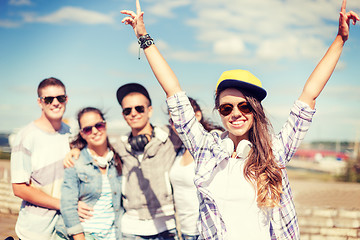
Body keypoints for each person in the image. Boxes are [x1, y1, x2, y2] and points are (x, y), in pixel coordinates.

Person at [121, 0, 359, 239]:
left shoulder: (275, 151)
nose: (235, 113)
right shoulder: (206, 149)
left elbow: (309, 94)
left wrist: (340, 39)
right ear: (220, 112)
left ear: (256, 110)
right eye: (226, 108)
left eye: (244, 106)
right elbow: (173, 90)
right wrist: (144, 37)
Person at [64, 83, 180, 240]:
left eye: (139, 108)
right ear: (123, 115)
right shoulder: (119, 147)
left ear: (149, 110)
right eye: (127, 110)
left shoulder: (170, 138)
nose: (133, 113)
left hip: (167, 227)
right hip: (131, 230)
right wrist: (76, 149)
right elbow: (95, 147)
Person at [10, 77, 71, 239]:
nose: (55, 103)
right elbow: (19, 188)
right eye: (49, 99)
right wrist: (63, 205)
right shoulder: (26, 137)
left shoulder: (72, 134)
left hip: (66, 228)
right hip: (36, 231)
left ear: (67, 99)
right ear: (40, 103)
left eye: (60, 98)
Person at [56, 107, 123, 240]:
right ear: (82, 134)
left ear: (105, 125)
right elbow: (68, 205)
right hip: (83, 235)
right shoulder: (75, 162)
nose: (94, 131)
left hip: (112, 235)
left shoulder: (118, 159)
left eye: (99, 125)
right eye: (87, 129)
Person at [169, 97, 223, 240]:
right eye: (172, 121)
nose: (177, 124)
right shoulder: (179, 150)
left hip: (207, 231)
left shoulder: (213, 141)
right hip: (185, 231)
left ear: (197, 115)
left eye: (179, 118)